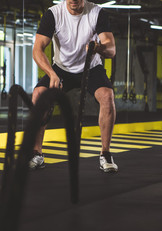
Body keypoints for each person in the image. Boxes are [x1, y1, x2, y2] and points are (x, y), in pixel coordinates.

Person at [30, 0, 118, 173]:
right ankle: (36, 152)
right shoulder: (53, 14)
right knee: (39, 94)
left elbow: (111, 49)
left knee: (107, 96)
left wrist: (98, 48)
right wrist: (51, 74)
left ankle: (105, 154)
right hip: (61, 69)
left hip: (91, 66)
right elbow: (37, 49)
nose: (73, 1)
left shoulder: (97, 13)